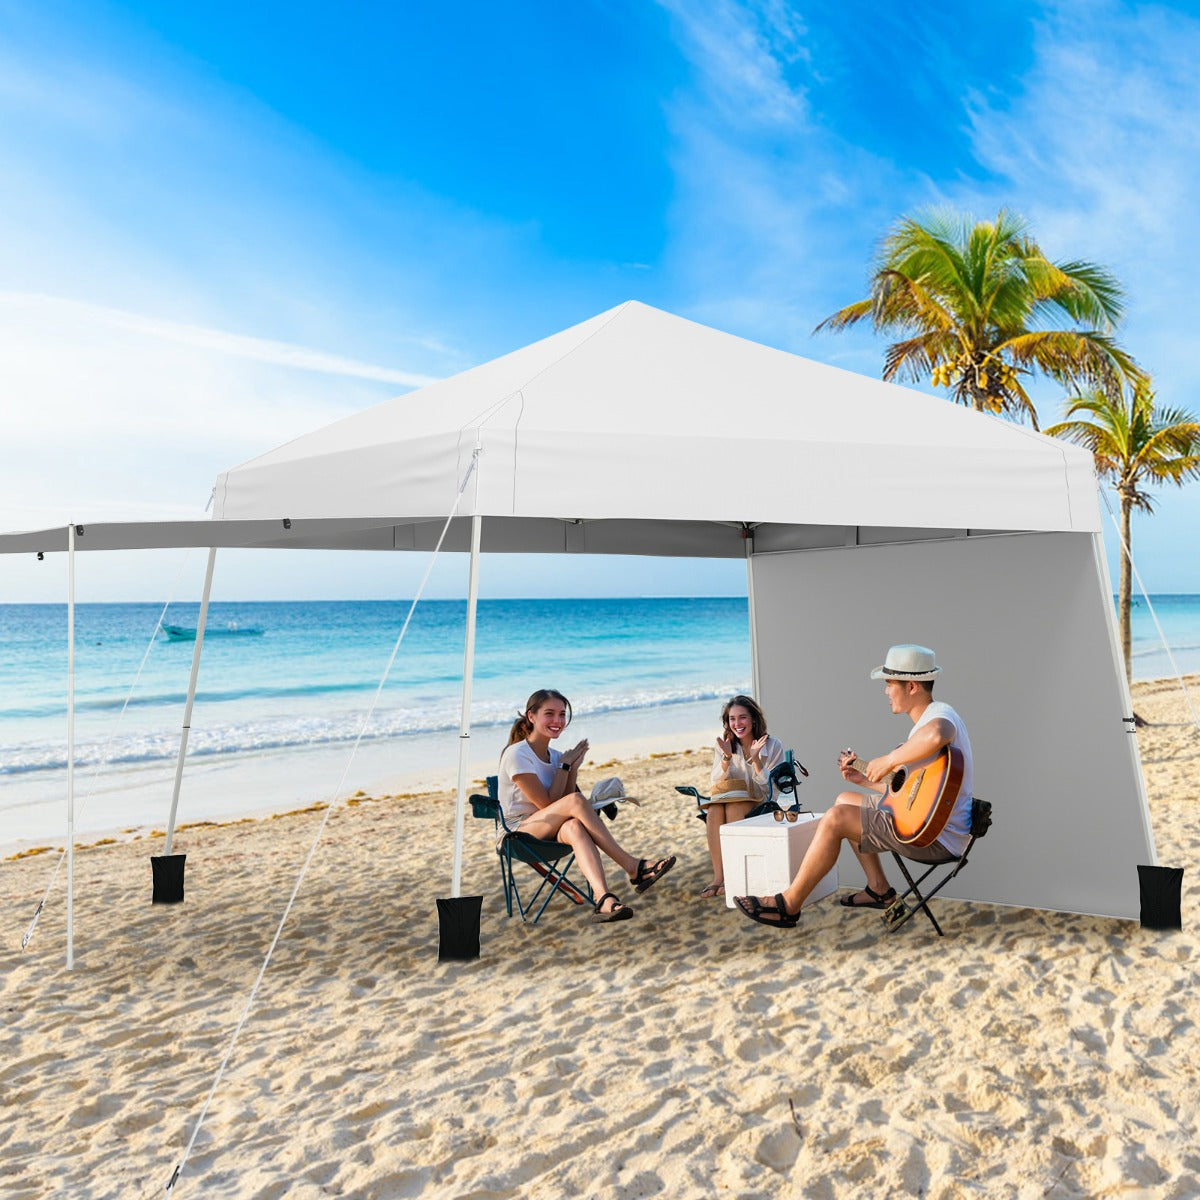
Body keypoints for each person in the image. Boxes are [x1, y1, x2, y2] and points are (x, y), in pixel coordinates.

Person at [734, 644, 974, 929]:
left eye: (889, 684)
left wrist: (889, 759)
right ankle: (879, 889)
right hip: (931, 821)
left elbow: (938, 735)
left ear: (911, 686)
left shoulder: (938, 717)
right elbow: (913, 796)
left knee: (836, 820)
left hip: (935, 836)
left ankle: (788, 904)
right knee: (844, 799)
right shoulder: (924, 722)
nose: (885, 691)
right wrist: (864, 780)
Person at [499, 688, 677, 923]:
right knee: (574, 805)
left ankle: (603, 899)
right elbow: (549, 804)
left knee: (575, 826)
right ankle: (633, 867)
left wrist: (572, 769)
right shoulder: (517, 754)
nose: (557, 721)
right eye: (549, 714)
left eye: (562, 715)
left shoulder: (555, 755)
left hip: (551, 828)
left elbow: (569, 797)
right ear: (531, 716)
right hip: (518, 835)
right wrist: (564, 767)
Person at [697, 695, 786, 898]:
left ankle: (735, 877)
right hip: (731, 799)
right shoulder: (725, 745)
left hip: (761, 801)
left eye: (742, 717)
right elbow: (716, 783)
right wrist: (727, 758)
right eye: (732, 719)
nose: (737, 724)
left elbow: (772, 790)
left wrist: (756, 760)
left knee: (734, 807)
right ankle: (719, 877)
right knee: (714, 809)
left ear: (753, 719)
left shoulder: (773, 746)